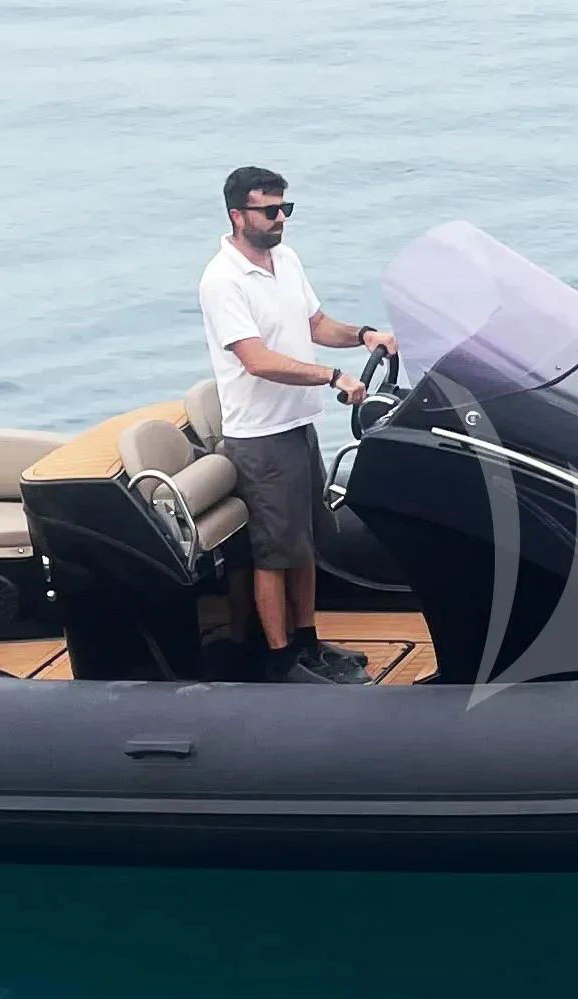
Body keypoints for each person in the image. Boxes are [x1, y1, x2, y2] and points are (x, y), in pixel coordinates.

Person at [195, 165, 397, 684]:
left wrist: (363, 336)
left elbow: (315, 325)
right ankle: (281, 657)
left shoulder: (285, 260)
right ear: (238, 215)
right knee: (273, 552)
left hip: (298, 423)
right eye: (270, 210)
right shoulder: (222, 282)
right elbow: (257, 359)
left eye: (286, 208)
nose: (281, 218)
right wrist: (332, 376)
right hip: (260, 436)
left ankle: (307, 641)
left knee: (304, 542)